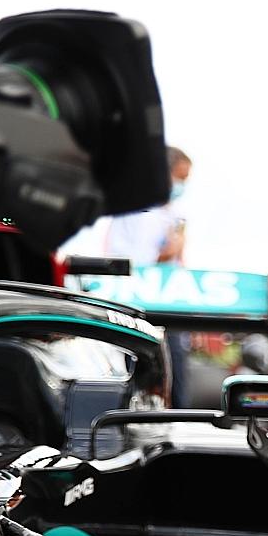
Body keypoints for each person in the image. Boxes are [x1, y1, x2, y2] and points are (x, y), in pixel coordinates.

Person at [106, 145, 192, 404]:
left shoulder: (174, 214)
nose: (181, 185)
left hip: (170, 306)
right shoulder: (131, 210)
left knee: (175, 376)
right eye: (180, 178)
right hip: (137, 306)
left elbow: (178, 263)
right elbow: (129, 260)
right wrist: (164, 254)